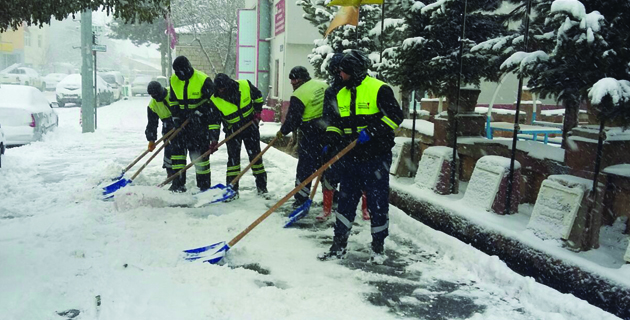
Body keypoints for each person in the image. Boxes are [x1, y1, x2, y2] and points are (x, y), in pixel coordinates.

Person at [318, 50, 403, 264]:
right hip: (351, 158)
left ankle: (377, 248)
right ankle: (338, 246)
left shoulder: (378, 89)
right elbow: (336, 124)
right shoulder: (341, 94)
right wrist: (330, 140)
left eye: (343, 73)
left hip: (376, 157)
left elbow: (395, 117)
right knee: (346, 202)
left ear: (354, 72)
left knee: (377, 203)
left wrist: (373, 131)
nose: (340, 76)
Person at [317, 53, 370, 222]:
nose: (338, 74)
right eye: (336, 70)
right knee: (330, 173)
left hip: (362, 140)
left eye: (341, 70)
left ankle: (366, 208)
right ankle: (327, 208)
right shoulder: (332, 91)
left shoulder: (361, 88)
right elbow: (329, 117)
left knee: (364, 175)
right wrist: (329, 139)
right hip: (338, 141)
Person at [276, 66, 328, 209]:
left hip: (311, 133)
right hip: (330, 131)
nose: (292, 83)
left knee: (305, 167)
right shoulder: (323, 85)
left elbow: (293, 119)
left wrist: (283, 131)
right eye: (291, 81)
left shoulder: (299, 94)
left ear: (301, 79)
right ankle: (331, 195)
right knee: (325, 165)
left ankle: (301, 198)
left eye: (294, 80)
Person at [209, 73, 267, 197]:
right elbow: (214, 121)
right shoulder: (215, 99)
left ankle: (262, 188)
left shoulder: (244, 85)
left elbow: (258, 97)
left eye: (223, 88)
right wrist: (213, 140)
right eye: (219, 89)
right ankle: (232, 190)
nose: (221, 91)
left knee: (256, 158)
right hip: (232, 131)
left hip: (250, 127)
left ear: (229, 85)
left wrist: (257, 111)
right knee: (233, 162)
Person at [168, 56, 216, 192]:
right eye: (177, 72)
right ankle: (178, 183)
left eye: (181, 72)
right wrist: (176, 117)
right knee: (177, 155)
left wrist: (201, 113)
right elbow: (173, 100)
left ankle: (204, 186)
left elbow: (213, 103)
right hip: (182, 123)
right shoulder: (174, 80)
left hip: (199, 125)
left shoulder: (202, 79)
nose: (179, 75)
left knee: (199, 156)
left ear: (188, 68)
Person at [145, 81, 179, 186]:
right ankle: (170, 172)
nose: (154, 97)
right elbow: (152, 124)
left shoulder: (173, 92)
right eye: (152, 95)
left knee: (180, 151)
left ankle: (180, 174)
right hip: (167, 125)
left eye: (156, 94)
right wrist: (151, 139)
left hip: (180, 121)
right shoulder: (152, 105)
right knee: (169, 149)